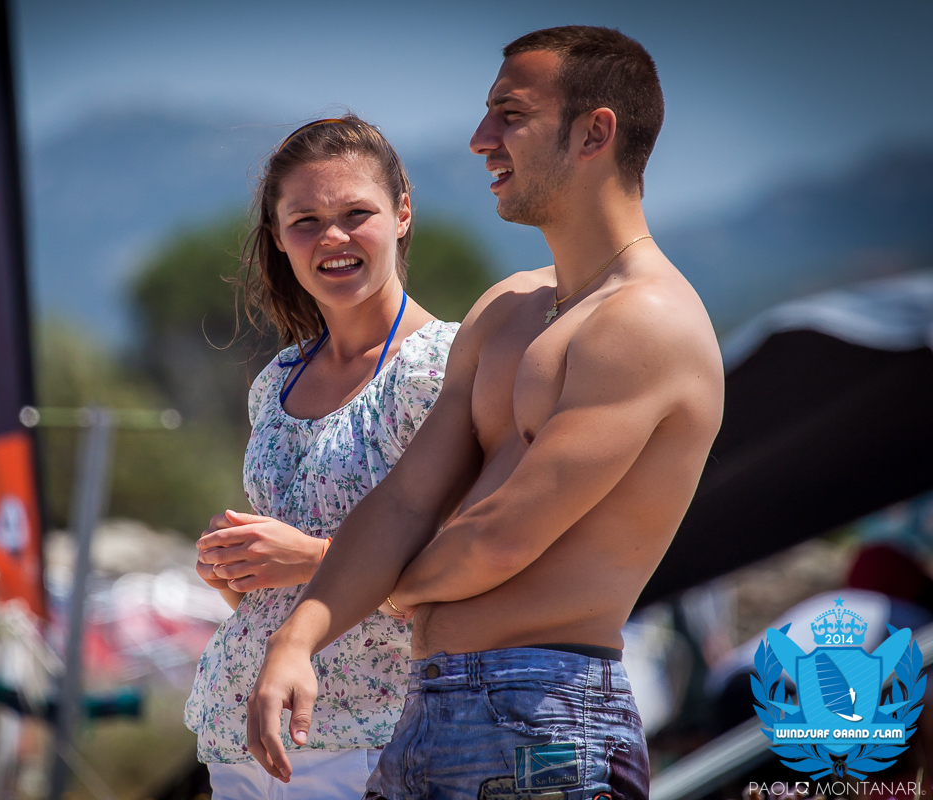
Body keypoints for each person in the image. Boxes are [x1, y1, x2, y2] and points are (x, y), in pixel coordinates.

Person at [246, 26, 726, 800]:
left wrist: (368, 587)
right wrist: (296, 638)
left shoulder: (646, 320)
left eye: (510, 114)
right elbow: (404, 500)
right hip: (432, 708)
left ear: (594, 133)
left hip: (550, 711)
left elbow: (502, 537)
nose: (480, 139)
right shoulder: (508, 308)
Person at [183, 115, 460, 800]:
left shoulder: (440, 366)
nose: (333, 238)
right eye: (306, 221)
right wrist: (237, 567)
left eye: (355, 214)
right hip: (239, 735)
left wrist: (307, 557)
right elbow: (277, 582)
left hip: (370, 739)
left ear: (402, 214)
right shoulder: (278, 378)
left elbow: (469, 563)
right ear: (278, 237)